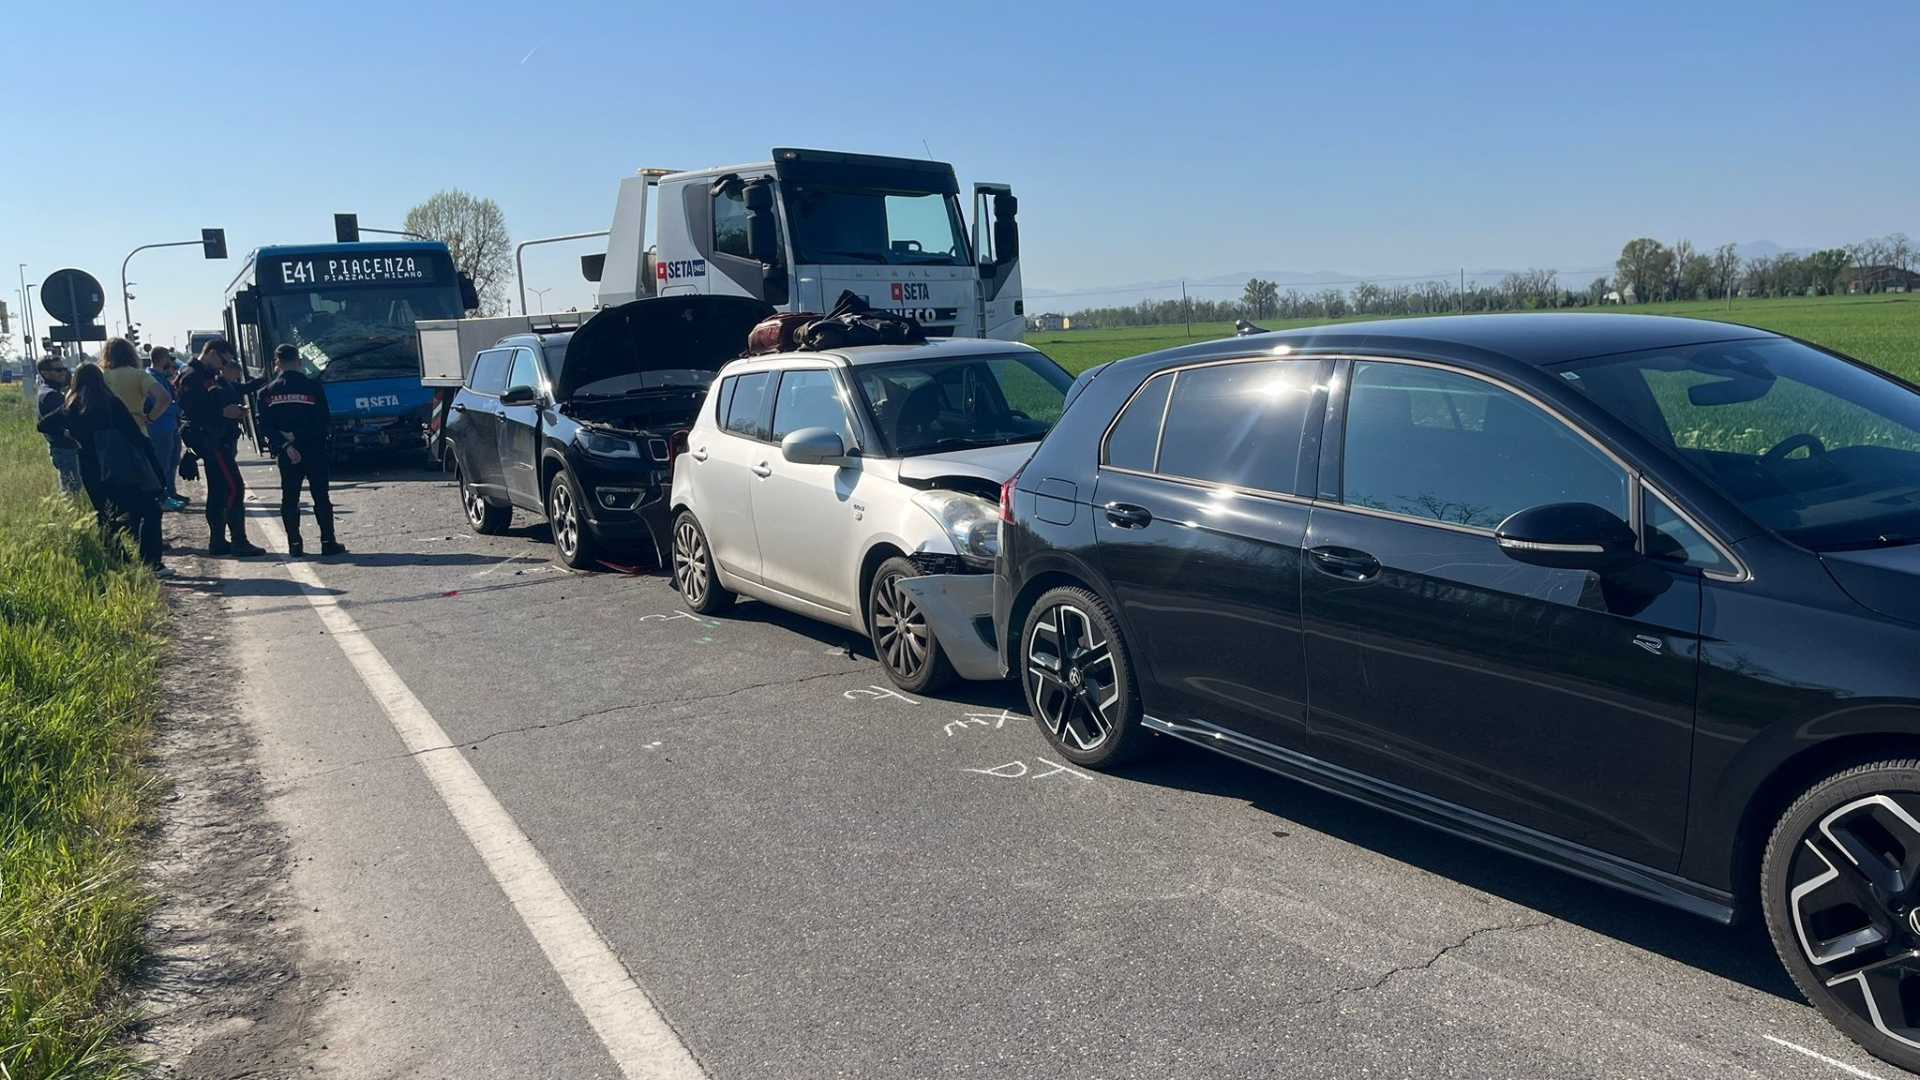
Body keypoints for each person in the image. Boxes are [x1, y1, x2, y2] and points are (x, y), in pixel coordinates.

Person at [37, 363, 170, 576]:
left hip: (89, 469)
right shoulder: (111, 404)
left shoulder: (71, 406)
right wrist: (157, 472)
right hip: (119, 468)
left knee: (105, 516)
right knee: (150, 510)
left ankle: (119, 563)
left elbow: (43, 425)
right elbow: (137, 438)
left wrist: (70, 437)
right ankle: (151, 563)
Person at [175, 340, 266, 556]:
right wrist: (223, 413)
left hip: (217, 437)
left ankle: (218, 542)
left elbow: (213, 401)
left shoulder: (206, 374)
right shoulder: (192, 376)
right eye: (223, 361)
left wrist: (230, 411)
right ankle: (239, 541)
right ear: (212, 353)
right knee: (234, 487)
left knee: (218, 491)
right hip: (211, 440)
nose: (223, 366)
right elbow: (192, 412)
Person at [259, 344, 345, 557]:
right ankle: (328, 542)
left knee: (290, 498)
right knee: (321, 496)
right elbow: (323, 420)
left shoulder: (266, 393)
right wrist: (303, 441)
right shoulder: (313, 387)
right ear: (298, 361)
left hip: (287, 454)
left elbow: (266, 426)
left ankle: (295, 545)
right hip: (313, 449)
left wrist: (287, 445)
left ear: (277, 363)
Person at [100, 336, 170, 437]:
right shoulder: (140, 375)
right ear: (131, 354)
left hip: (110, 434)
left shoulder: (101, 377)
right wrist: (150, 418)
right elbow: (164, 398)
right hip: (137, 431)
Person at [145, 347, 188, 511]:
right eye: (168, 359)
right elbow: (155, 404)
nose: (170, 362)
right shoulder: (151, 379)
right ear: (162, 359)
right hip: (160, 427)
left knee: (172, 461)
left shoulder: (161, 378)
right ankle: (162, 498)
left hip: (170, 426)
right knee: (162, 463)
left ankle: (171, 492)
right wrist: (176, 408)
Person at [36, 355, 84, 494]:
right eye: (58, 370)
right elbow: (60, 423)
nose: (63, 373)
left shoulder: (48, 391)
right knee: (72, 491)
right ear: (45, 373)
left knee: (71, 488)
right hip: (65, 448)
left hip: (61, 447)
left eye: (64, 369)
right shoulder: (51, 396)